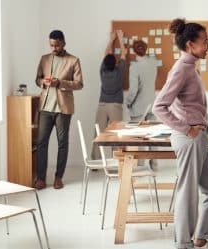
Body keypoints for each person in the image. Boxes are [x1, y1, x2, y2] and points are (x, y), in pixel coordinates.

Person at [153, 18, 208, 249]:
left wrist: (207, 128)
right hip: (189, 138)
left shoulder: (189, 67)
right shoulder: (182, 69)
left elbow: (193, 106)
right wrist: (187, 128)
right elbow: (159, 106)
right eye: (205, 41)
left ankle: (200, 239)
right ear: (190, 45)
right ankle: (184, 244)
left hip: (198, 136)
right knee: (188, 190)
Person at [34, 30, 84, 190]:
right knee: (41, 143)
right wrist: (44, 82)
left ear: (63, 43)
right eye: (51, 45)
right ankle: (41, 178)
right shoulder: (44, 59)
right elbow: (37, 79)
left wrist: (60, 83)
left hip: (63, 109)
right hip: (45, 108)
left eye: (56, 45)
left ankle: (58, 177)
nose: (54, 48)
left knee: (62, 143)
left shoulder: (73, 60)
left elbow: (79, 84)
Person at [91, 30, 127, 160]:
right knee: (116, 134)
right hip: (115, 106)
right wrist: (120, 39)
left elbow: (107, 53)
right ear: (115, 63)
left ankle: (95, 160)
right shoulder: (119, 72)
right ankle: (117, 160)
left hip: (102, 105)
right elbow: (124, 53)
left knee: (98, 133)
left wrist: (112, 39)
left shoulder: (102, 70)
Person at [126, 39, 157, 121]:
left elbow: (133, 90)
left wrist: (128, 102)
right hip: (151, 106)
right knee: (152, 133)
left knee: (137, 134)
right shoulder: (153, 62)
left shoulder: (134, 67)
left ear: (134, 51)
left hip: (138, 109)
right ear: (146, 49)